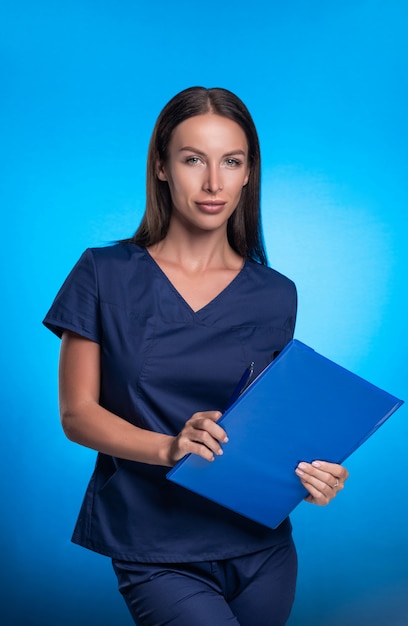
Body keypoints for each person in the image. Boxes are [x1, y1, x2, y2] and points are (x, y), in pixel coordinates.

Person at [43, 86, 349, 626]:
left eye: (231, 162)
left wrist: (313, 477)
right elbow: (77, 414)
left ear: (249, 172)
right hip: (156, 546)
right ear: (161, 166)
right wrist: (170, 448)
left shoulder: (277, 293)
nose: (213, 183)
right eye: (193, 160)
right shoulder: (103, 272)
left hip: (262, 548)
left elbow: (270, 427)